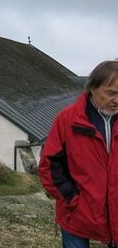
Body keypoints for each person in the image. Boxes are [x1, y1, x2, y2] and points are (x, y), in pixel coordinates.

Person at [39, 60, 118, 248]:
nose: (117, 100)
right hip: (76, 214)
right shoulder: (68, 119)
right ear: (92, 89)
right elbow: (49, 165)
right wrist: (72, 200)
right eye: (111, 93)